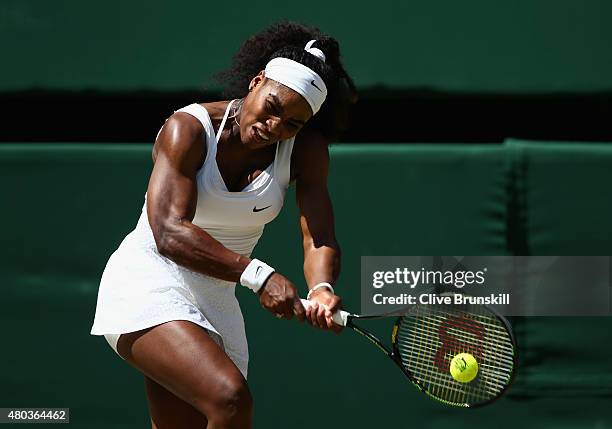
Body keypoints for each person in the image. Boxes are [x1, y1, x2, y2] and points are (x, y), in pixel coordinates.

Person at [91, 21, 356, 429]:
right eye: (273, 107)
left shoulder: (306, 151)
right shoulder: (188, 128)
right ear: (256, 82)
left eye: (292, 124)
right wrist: (259, 275)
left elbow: (318, 235)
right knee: (230, 400)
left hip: (217, 296)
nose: (275, 127)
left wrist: (321, 287)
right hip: (149, 280)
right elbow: (169, 231)